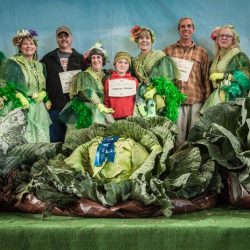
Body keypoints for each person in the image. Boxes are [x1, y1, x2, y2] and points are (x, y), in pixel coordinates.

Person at [164, 17, 211, 147]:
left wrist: (207, 103)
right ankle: (178, 165)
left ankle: (194, 165)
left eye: (189, 26)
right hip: (176, 102)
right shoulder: (168, 51)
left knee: (195, 138)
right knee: (177, 139)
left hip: (196, 101)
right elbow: (164, 78)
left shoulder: (202, 52)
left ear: (193, 29)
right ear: (179, 30)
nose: (186, 29)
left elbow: (205, 77)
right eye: (183, 26)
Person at [0, 29, 51, 143]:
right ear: (20, 47)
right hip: (22, 107)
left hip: (39, 109)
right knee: (25, 142)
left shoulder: (41, 65)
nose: (28, 46)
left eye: (31, 43)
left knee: (41, 142)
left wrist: (44, 94)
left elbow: (42, 86)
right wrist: (20, 96)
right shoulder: (13, 63)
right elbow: (6, 87)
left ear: (36, 47)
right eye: (25, 44)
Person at [130, 25, 185, 122]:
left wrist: (154, 90)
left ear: (152, 40)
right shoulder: (134, 60)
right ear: (137, 41)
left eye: (147, 38)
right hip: (141, 97)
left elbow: (167, 79)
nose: (144, 40)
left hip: (158, 96)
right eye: (141, 38)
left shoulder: (159, 55)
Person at [41, 26, 85, 142]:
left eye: (66, 35)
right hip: (55, 108)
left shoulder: (81, 59)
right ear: (56, 39)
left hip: (75, 107)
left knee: (74, 142)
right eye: (60, 36)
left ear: (71, 38)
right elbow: (40, 82)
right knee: (55, 142)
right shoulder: (47, 59)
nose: (63, 38)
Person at [60, 42, 114, 134]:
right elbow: (88, 91)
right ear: (90, 60)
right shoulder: (83, 75)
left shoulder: (107, 74)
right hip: (87, 111)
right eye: (93, 58)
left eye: (98, 57)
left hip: (102, 109)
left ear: (103, 59)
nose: (96, 60)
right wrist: (99, 105)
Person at [200, 25, 250, 113]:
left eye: (228, 36)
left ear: (233, 39)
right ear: (217, 39)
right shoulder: (216, 57)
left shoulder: (239, 56)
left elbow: (247, 80)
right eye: (221, 35)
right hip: (216, 98)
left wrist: (224, 75)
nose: (224, 38)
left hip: (233, 100)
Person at [104, 51, 138, 120]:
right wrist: (108, 116)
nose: (123, 65)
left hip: (131, 118)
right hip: (114, 119)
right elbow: (106, 100)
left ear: (129, 66)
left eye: (126, 63)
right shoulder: (109, 81)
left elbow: (137, 100)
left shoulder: (134, 81)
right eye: (120, 62)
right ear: (115, 64)